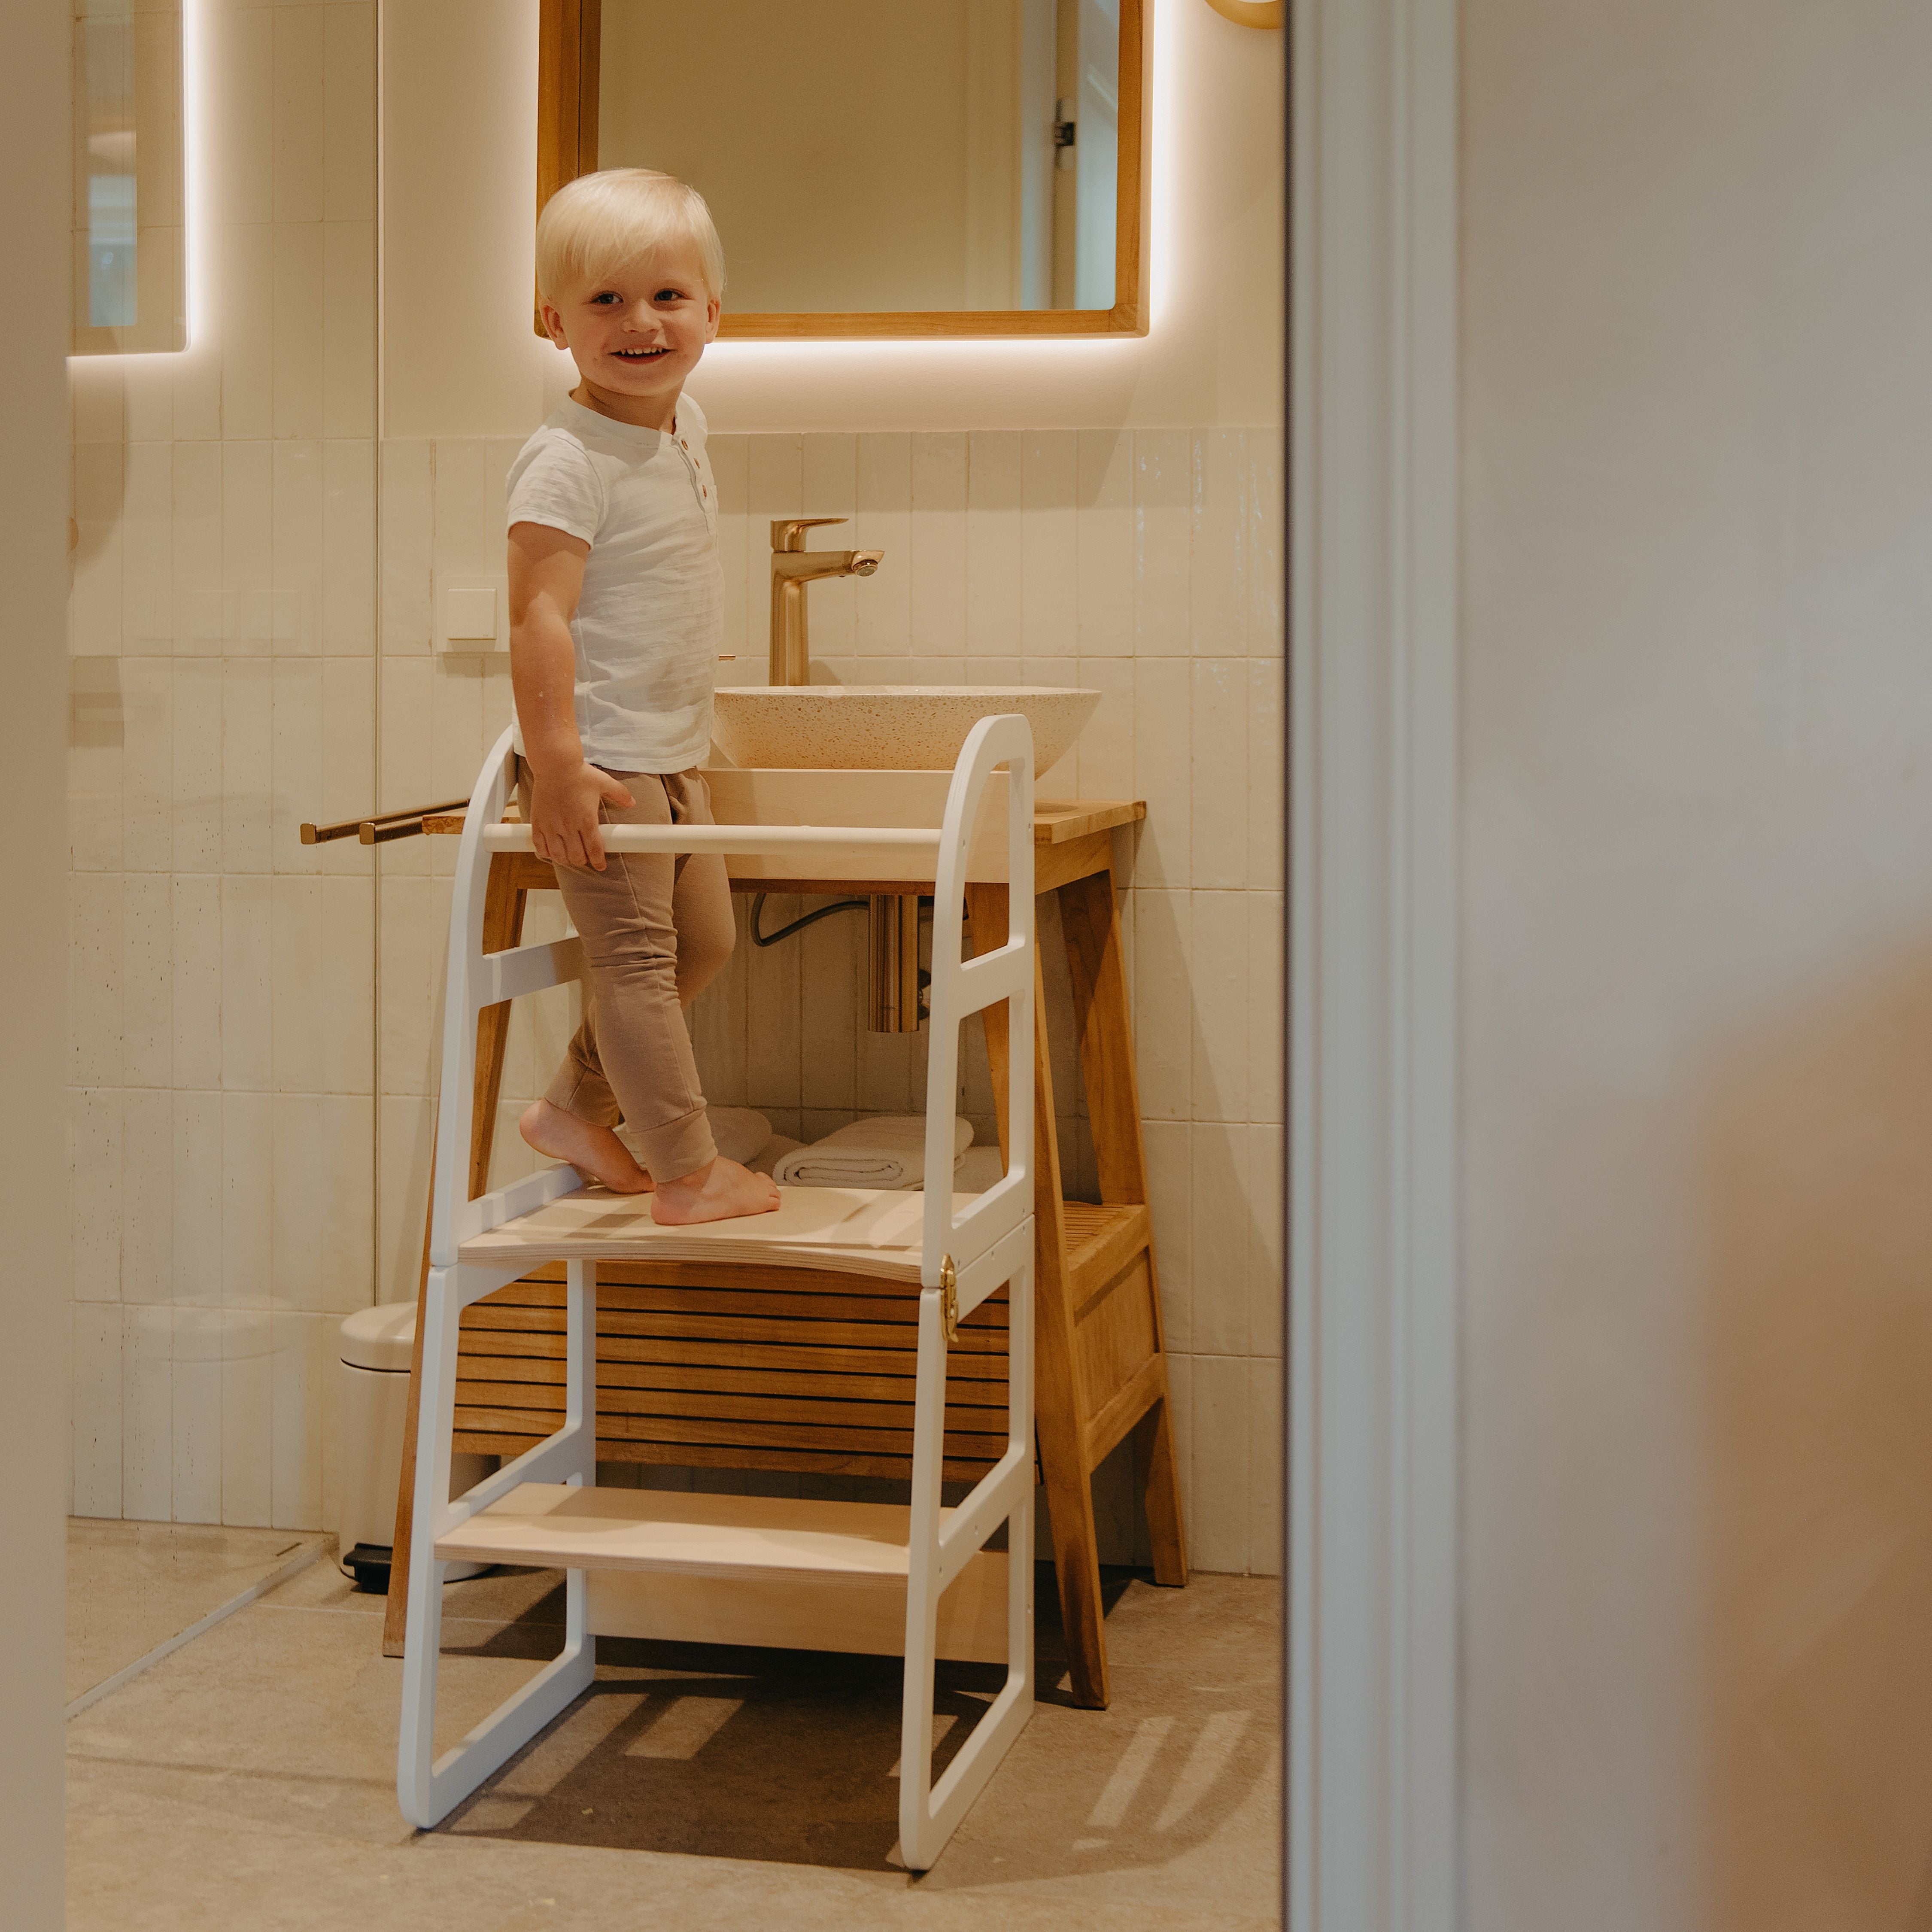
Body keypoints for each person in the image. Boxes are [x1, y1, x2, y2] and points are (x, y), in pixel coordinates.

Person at [505, 169, 779, 1226]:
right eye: (606, 301)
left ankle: (575, 1110)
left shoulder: (681, 426)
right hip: (607, 757)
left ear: (714, 312)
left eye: (668, 296)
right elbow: (539, 616)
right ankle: (687, 1174)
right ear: (554, 323)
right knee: (635, 967)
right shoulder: (565, 460)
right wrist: (559, 765)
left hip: (670, 749)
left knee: (704, 943)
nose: (641, 323)